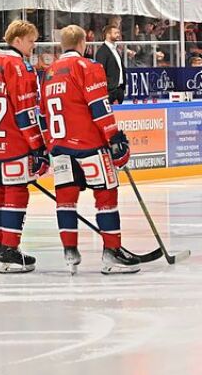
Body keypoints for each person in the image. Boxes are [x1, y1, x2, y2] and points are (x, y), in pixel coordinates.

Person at [41, 25, 140, 274]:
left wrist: (47, 145)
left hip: (60, 146)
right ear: (83, 43)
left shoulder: (49, 72)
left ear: (62, 44)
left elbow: (42, 114)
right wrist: (114, 138)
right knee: (106, 197)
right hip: (89, 145)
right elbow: (99, 107)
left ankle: (70, 253)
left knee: (65, 201)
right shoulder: (88, 67)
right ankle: (111, 253)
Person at [0, 20, 49, 273]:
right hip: (13, 143)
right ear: (17, 40)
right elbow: (25, 111)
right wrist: (38, 147)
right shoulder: (18, 66)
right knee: (16, 193)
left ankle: (0, 246)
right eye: (30, 41)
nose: (33, 46)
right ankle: (10, 249)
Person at [95, 24, 126, 105]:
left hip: (119, 89)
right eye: (115, 33)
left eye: (118, 33)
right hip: (110, 92)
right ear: (108, 35)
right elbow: (100, 73)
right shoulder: (102, 52)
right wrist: (110, 89)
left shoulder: (115, 49)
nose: (118, 35)